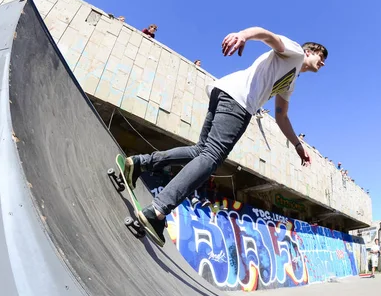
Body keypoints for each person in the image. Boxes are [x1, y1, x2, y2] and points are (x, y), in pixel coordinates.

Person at [124, 27, 327, 244]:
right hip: (238, 102)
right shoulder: (295, 52)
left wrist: (297, 145)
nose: (322, 62)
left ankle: (140, 163)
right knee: (212, 157)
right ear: (309, 52)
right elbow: (269, 36)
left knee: (200, 151)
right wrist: (243, 36)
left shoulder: (291, 81)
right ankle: (157, 210)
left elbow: (281, 116)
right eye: (321, 56)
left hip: (224, 92)